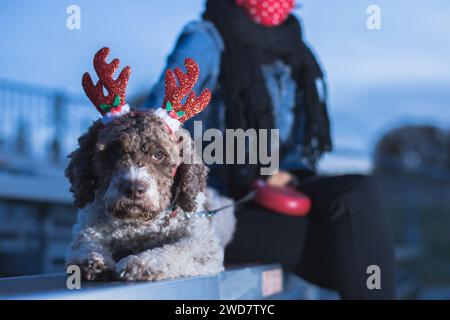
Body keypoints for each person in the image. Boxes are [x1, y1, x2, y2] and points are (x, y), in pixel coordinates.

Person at [143, 0, 395, 299]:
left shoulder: (293, 45)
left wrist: (286, 171)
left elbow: (297, 140)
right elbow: (158, 121)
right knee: (349, 245)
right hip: (217, 204)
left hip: (268, 186)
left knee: (358, 192)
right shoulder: (206, 38)